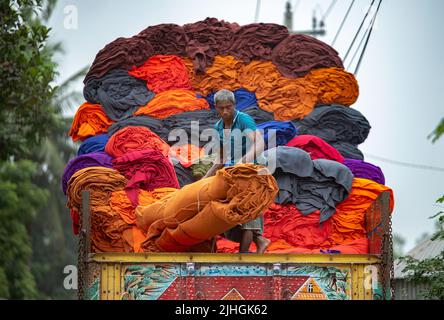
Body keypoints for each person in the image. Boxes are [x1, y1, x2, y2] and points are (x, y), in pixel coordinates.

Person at [203, 89, 270, 254]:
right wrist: (205, 178)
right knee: (230, 213)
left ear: (234, 105)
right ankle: (260, 241)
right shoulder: (219, 127)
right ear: (216, 108)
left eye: (229, 107)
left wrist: (243, 161)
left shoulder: (243, 120)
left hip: (251, 172)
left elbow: (260, 144)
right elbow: (221, 159)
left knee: (247, 214)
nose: (225, 111)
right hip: (232, 174)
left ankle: (243, 256)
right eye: (221, 108)